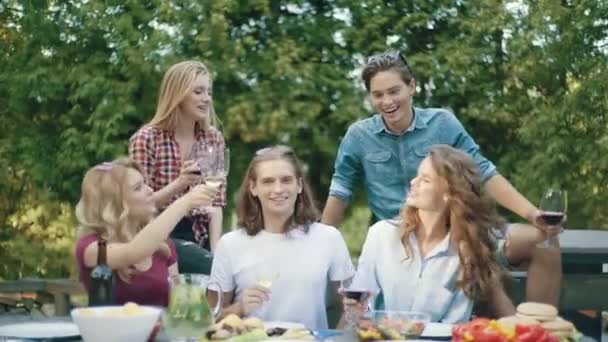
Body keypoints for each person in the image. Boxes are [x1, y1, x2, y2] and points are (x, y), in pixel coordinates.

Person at [322, 51, 562, 314]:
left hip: (458, 230)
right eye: (378, 95)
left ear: (411, 86)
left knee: (542, 241)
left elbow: (483, 170)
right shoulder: (358, 136)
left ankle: (543, 329)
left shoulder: (442, 123)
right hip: (401, 243)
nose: (387, 101)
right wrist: (319, 242)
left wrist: (532, 213)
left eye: (394, 91)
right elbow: (340, 190)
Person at [344, 145, 504, 323]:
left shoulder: (465, 253)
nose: (413, 182)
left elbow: (454, 325)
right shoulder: (381, 234)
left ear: (449, 194)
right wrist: (356, 309)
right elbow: (361, 308)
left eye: (425, 180)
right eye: (417, 175)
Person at [208, 146, 354, 330]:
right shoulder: (230, 244)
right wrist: (240, 307)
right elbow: (209, 320)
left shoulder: (328, 238)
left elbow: (352, 309)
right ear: (253, 187)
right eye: (268, 181)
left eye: (286, 180)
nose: (278, 189)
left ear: (299, 185)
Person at [75, 158, 218, 306]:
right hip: (114, 329)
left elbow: (176, 305)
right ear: (114, 204)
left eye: (145, 184)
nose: (150, 191)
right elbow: (133, 252)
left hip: (161, 328)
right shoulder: (92, 248)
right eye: (138, 188)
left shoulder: (162, 246)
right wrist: (185, 202)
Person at [129, 60, 226, 273]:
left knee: (226, 269)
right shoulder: (146, 139)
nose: (207, 99)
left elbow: (216, 203)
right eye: (198, 92)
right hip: (159, 235)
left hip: (201, 235)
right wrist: (180, 184)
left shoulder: (213, 138)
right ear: (178, 94)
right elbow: (139, 207)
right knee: (214, 270)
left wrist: (217, 251)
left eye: (208, 92)